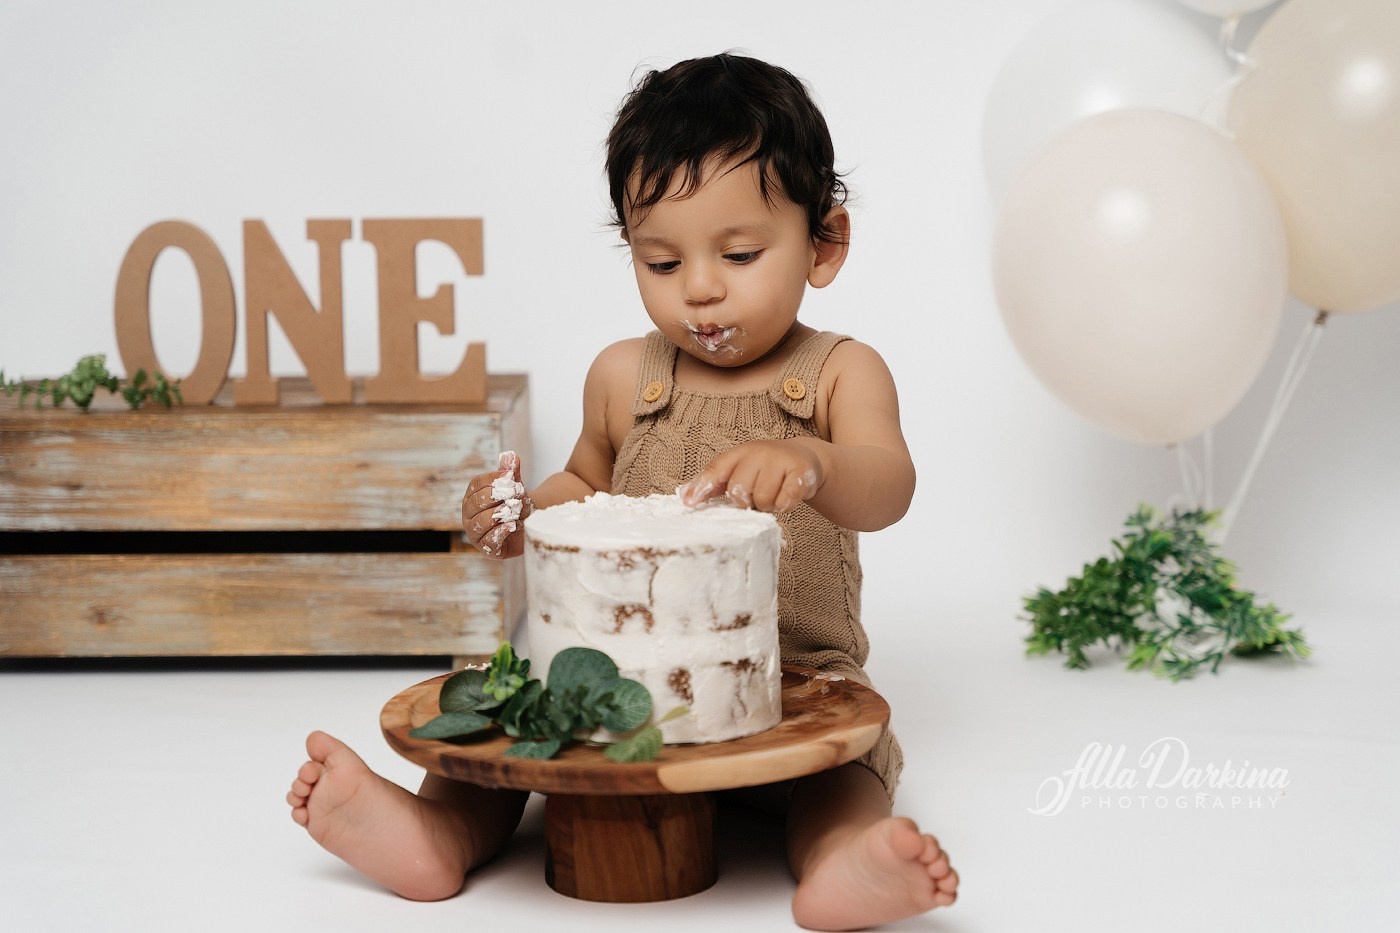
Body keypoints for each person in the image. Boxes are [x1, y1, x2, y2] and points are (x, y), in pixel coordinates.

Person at [288, 52, 958, 930]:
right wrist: (522, 514)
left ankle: (843, 863)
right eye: (662, 261)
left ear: (823, 242)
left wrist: (818, 465)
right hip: (616, 687)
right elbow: (584, 484)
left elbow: (890, 485)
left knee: (842, 775)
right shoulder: (621, 376)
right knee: (504, 727)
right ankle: (438, 830)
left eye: (741, 252)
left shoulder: (837, 374)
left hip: (790, 680)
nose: (702, 289)